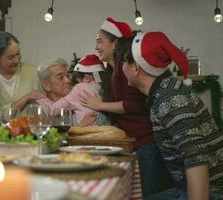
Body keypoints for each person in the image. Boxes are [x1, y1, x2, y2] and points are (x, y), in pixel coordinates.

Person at [115, 31, 223, 199]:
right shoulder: (164, 91)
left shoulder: (170, 99)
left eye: (123, 62)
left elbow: (196, 159)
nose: (121, 67)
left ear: (136, 68)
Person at [80, 17, 170, 198]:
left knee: (149, 194)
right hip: (134, 142)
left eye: (100, 41)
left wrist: (100, 105)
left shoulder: (125, 67)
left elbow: (134, 105)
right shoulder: (113, 71)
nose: (96, 46)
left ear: (115, 44)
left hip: (147, 142)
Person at [34, 54, 110, 126]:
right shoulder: (38, 109)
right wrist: (79, 128)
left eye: (67, 76)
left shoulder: (77, 91)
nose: (68, 81)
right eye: (60, 77)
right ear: (46, 85)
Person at [0, 31, 40, 125]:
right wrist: (27, 97)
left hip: (33, 133)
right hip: (2, 137)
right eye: (10, 57)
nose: (17, 60)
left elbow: (44, 107)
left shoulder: (33, 72)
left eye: (18, 54)